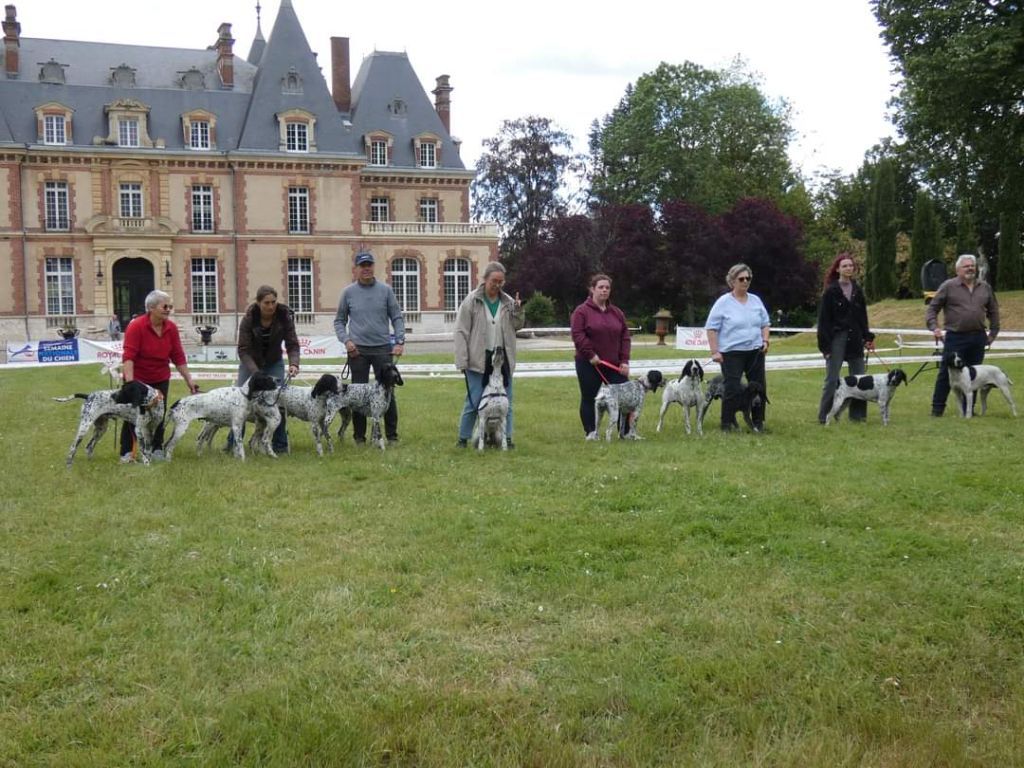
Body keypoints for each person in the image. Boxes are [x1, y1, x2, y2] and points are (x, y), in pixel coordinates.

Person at [333, 251, 405, 444]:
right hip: (358, 351)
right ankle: (359, 437)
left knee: (388, 393)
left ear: (373, 267)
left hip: (383, 349)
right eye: (362, 265)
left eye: (369, 265)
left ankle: (391, 436)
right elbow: (339, 321)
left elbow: (397, 317)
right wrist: (347, 342)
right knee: (357, 396)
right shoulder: (348, 293)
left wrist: (399, 341)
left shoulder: (386, 290)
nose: (366, 268)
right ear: (356, 268)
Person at [120, 290, 199, 461]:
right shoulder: (136, 326)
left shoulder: (171, 328)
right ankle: (127, 452)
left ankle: (156, 448)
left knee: (158, 415)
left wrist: (189, 380)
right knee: (133, 415)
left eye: (170, 306)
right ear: (151, 308)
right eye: (165, 306)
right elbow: (128, 357)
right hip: (138, 379)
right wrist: (131, 383)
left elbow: (178, 356)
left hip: (160, 378)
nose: (168, 309)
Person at [454, 262, 524, 448]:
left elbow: (518, 326)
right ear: (484, 279)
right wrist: (462, 360)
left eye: (501, 281)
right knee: (474, 400)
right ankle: (463, 438)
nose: (498, 285)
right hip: (479, 358)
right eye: (494, 281)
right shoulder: (471, 301)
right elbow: (461, 331)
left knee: (506, 400)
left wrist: (518, 310)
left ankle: (506, 438)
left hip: (503, 359)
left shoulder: (508, 302)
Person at [926, 253, 999, 416]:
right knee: (946, 373)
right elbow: (932, 308)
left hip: (978, 337)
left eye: (972, 265)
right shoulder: (948, 286)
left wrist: (993, 332)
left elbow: (993, 310)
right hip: (955, 337)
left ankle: (969, 411)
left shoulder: (985, 287)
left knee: (973, 376)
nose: (970, 268)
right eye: (966, 266)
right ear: (958, 269)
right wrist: (934, 327)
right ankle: (937, 410)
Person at [229, 285, 300, 454]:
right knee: (241, 403)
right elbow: (243, 350)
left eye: (273, 302)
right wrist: (255, 372)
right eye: (266, 303)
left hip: (274, 362)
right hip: (250, 363)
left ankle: (280, 444)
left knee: (278, 403)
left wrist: (294, 363)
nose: (270, 306)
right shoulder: (248, 319)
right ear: (258, 303)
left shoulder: (284, 317)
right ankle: (232, 444)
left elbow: (292, 344)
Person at [705, 263, 771, 432]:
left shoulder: (756, 300)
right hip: (731, 353)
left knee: (758, 387)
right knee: (733, 388)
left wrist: (765, 341)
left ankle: (758, 422)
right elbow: (711, 328)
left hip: (755, 351)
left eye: (748, 278)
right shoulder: (723, 302)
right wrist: (715, 351)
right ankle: (727, 423)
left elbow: (765, 323)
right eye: (741, 279)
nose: (745, 281)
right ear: (732, 281)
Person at [816, 253, 876, 424]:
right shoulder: (831, 291)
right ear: (837, 269)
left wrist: (867, 336)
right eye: (845, 266)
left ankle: (857, 417)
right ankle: (824, 416)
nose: (848, 268)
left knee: (859, 377)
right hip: (837, 338)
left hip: (856, 337)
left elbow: (862, 316)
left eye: (850, 265)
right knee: (832, 379)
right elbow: (824, 321)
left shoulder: (857, 290)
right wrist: (825, 348)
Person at [570, 273, 632, 438]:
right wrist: (590, 354)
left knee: (624, 398)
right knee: (590, 397)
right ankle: (591, 432)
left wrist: (624, 360)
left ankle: (625, 432)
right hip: (589, 363)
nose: (604, 290)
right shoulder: (581, 312)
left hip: (614, 365)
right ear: (592, 289)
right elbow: (578, 335)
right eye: (601, 287)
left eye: (607, 287)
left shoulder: (617, 313)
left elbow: (625, 337)